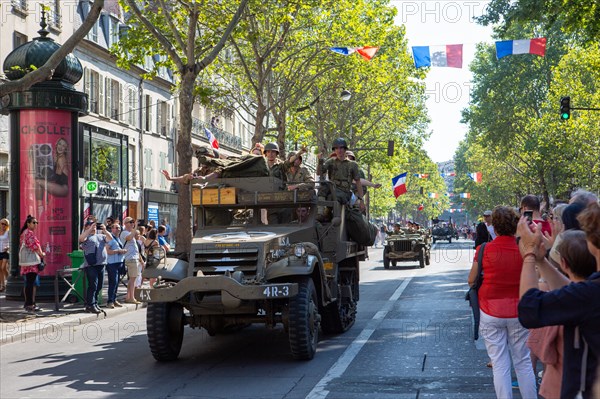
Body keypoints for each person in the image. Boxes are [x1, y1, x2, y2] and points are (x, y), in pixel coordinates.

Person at [517, 202, 600, 399]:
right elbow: (574, 293)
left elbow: (529, 309)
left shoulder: (591, 294)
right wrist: (541, 260)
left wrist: (529, 254)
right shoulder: (589, 292)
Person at [467, 206, 537, 399]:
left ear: (494, 228)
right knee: (523, 361)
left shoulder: (484, 249)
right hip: (519, 311)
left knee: (499, 363)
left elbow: (471, 280)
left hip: (490, 311)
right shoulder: (524, 248)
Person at [317, 137, 365, 212]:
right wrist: (320, 161)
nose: (339, 150)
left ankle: (337, 217)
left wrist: (361, 200)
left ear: (345, 149)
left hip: (344, 192)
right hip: (332, 188)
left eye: (341, 148)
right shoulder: (331, 162)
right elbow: (319, 172)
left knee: (335, 196)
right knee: (322, 189)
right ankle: (320, 212)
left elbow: (358, 183)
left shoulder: (352, 165)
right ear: (334, 150)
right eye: (336, 148)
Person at [79, 216, 112, 314]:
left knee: (99, 285)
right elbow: (81, 239)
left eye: (94, 225)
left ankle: (95, 303)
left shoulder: (100, 236)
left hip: (101, 264)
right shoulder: (86, 237)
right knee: (93, 285)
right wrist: (89, 229)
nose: (93, 226)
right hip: (91, 265)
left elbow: (110, 238)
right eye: (90, 225)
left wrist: (105, 230)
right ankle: (90, 305)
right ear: (86, 227)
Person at [18, 215, 45, 312]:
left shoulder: (24, 232)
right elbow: (34, 245)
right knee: (30, 283)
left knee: (28, 283)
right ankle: (30, 305)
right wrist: (41, 254)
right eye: (34, 222)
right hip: (31, 262)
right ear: (28, 223)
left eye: (36, 222)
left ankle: (28, 304)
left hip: (25, 262)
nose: (35, 224)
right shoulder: (29, 233)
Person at [105, 223, 127, 309]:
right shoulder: (110, 238)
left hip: (119, 263)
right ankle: (110, 301)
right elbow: (107, 251)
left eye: (119, 228)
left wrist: (122, 251)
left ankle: (114, 299)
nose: (118, 229)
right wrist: (118, 251)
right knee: (113, 282)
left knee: (117, 282)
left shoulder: (118, 238)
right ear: (112, 229)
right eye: (116, 228)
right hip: (112, 263)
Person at [121, 217, 142, 304]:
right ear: (125, 224)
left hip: (134, 258)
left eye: (133, 222)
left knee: (132, 279)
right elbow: (129, 238)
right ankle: (131, 298)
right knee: (132, 279)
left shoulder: (130, 232)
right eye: (130, 222)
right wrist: (136, 226)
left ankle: (128, 296)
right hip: (130, 258)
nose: (132, 224)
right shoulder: (124, 232)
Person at [0, 218, 10, 291]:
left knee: (3, 268)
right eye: (2, 223)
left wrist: (8, 247)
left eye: (5, 224)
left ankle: (8, 282)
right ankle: (2, 285)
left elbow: (11, 241)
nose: (3, 225)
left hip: (5, 252)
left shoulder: (8, 232)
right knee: (0, 269)